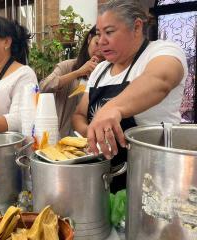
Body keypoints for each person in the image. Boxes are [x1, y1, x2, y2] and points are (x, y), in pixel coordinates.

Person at [72, 0, 187, 192]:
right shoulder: (100, 70)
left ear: (136, 27)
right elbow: (79, 115)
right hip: (104, 174)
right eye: (99, 34)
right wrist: (93, 137)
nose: (101, 41)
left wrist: (112, 108)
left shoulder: (162, 52)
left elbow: (160, 79)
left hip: (153, 178)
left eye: (109, 32)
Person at [40, 25, 103, 137]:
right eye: (97, 44)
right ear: (89, 39)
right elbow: (44, 87)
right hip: (63, 137)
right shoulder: (67, 66)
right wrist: (78, 72)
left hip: (92, 139)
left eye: (104, 46)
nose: (100, 51)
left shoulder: (109, 72)